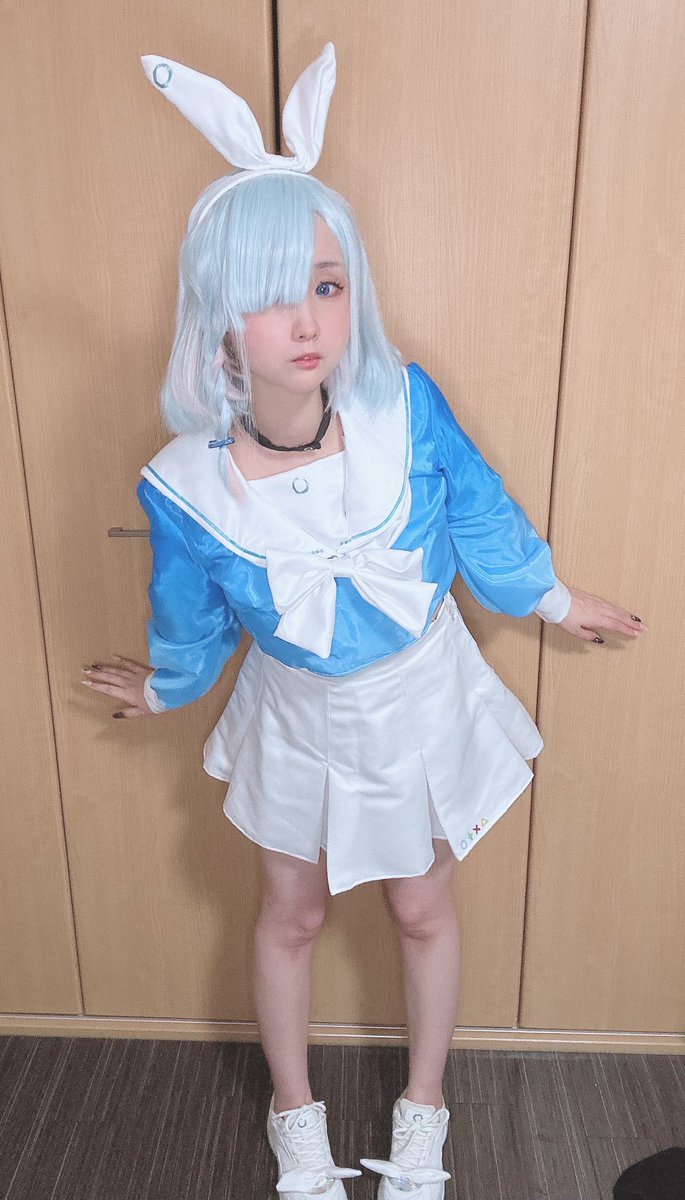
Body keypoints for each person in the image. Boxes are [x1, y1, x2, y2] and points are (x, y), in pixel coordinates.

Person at [81, 44, 648, 1200]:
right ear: (216, 319)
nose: (306, 320)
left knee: (421, 905)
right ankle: (295, 1117)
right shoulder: (184, 483)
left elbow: (478, 510)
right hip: (297, 716)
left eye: (328, 286)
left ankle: (423, 1111)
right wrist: (168, 684)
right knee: (288, 913)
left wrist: (548, 596)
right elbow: (190, 611)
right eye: (270, 294)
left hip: (419, 699)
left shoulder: (403, 406)